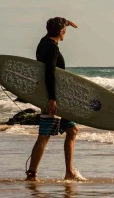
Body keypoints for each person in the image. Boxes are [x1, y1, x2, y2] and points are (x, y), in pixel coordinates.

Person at [26, 16, 84, 182]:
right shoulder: (52, 49)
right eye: (64, 31)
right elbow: (49, 73)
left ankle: (69, 172)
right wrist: (52, 98)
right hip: (52, 97)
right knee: (44, 135)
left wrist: (66, 22)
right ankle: (31, 175)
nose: (66, 33)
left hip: (59, 98)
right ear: (60, 32)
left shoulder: (43, 42)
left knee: (72, 130)